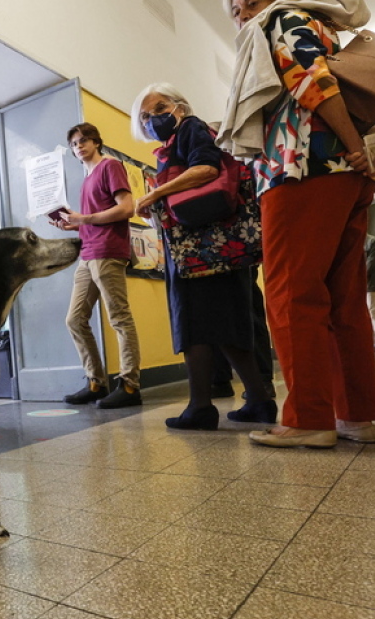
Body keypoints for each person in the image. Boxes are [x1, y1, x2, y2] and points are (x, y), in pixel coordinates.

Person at [217, 0, 375, 448]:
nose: (243, 11)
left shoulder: (280, 19)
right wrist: (358, 153)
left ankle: (308, 418)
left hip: (296, 168)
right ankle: (354, 416)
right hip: (342, 174)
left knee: (291, 293)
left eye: (251, 1)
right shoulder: (322, 27)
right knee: (344, 300)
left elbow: (313, 83)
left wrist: (355, 146)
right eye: (234, 7)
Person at [131, 84, 276, 430]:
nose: (153, 119)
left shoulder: (191, 128)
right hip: (213, 245)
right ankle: (258, 401)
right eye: (145, 116)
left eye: (160, 108)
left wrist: (154, 194)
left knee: (194, 323)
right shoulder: (174, 143)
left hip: (199, 246)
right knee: (223, 325)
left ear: (180, 107)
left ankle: (200, 407)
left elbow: (207, 169)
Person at [52, 122, 144, 409]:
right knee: (74, 319)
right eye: (74, 144)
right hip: (88, 252)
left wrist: (84, 219)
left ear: (96, 142)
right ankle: (96, 382)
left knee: (119, 317)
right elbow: (92, 219)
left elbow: (126, 208)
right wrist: (74, 225)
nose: (78, 147)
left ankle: (130, 386)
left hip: (108, 251)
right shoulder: (87, 178)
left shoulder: (110, 166)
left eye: (83, 141)